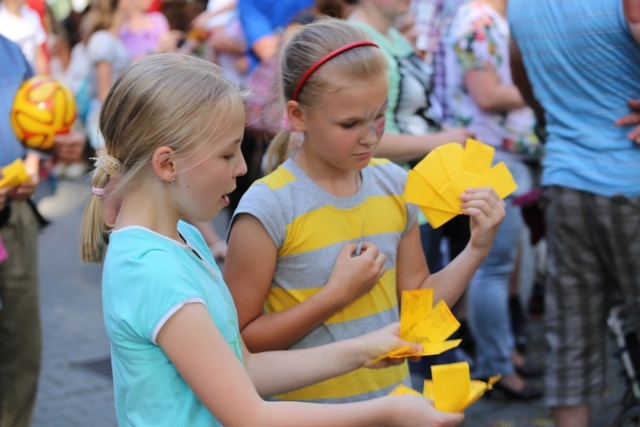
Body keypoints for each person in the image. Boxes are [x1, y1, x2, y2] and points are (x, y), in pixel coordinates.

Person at [79, 52, 466, 427]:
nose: (243, 167)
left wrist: (365, 348)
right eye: (228, 154)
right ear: (167, 164)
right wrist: (390, 413)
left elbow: (243, 366)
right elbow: (250, 415)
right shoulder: (152, 272)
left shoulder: (182, 238)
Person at [223, 18, 505, 403]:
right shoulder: (269, 207)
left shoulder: (394, 184)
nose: (371, 136)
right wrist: (334, 297)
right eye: (350, 123)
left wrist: (477, 248)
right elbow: (238, 344)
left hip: (391, 406)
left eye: (379, 115)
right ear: (298, 114)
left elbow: (417, 313)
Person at [508, 0, 640, 425]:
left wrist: (565, 117)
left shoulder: (520, 7)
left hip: (566, 181)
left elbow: (525, 83)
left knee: (571, 334)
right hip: (632, 180)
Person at [443, 0, 542, 399]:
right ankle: (496, 369)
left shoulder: (490, 19)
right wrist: (544, 85)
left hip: (503, 154)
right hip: (487, 155)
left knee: (504, 263)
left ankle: (505, 356)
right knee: (493, 267)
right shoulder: (478, 20)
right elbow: (486, 95)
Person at [0, 34, 43, 427]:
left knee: (21, 342)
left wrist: (33, 166)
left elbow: (38, 131)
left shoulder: (11, 52)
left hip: (14, 214)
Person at [84, 0, 130, 150]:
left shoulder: (113, 39)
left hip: (115, 121)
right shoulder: (102, 39)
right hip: (107, 124)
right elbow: (104, 95)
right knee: (110, 171)